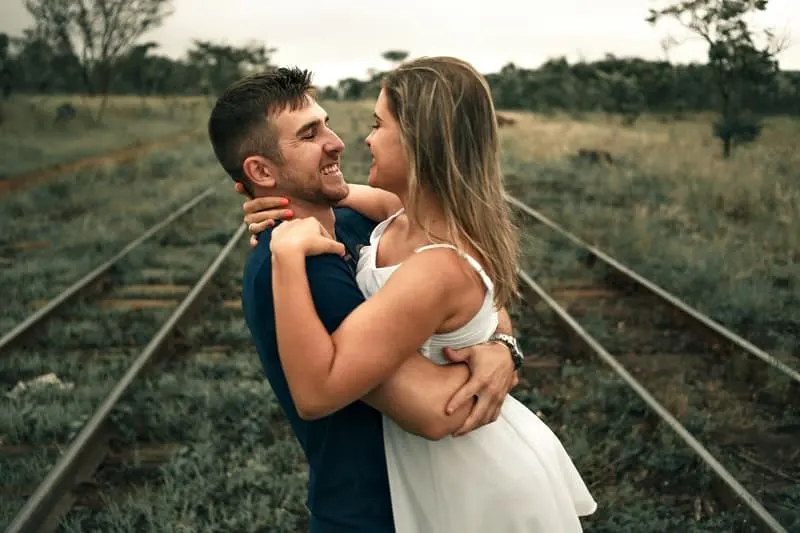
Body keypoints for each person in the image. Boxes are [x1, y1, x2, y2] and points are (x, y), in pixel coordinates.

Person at [246, 56, 598, 532]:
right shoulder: (397, 212)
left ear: (418, 141)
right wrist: (281, 199)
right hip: (436, 473)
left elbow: (317, 391)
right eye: (312, 134)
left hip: (477, 478)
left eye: (377, 124)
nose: (361, 140)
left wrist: (287, 254)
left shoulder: (435, 266)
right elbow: (341, 194)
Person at [207, 66, 523, 533]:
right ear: (261, 170)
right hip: (375, 512)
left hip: (433, 499)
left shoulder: (358, 229)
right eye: (311, 134)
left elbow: (467, 286)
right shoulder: (308, 270)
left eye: (327, 123)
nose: (338, 141)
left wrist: (502, 348)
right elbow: (440, 408)